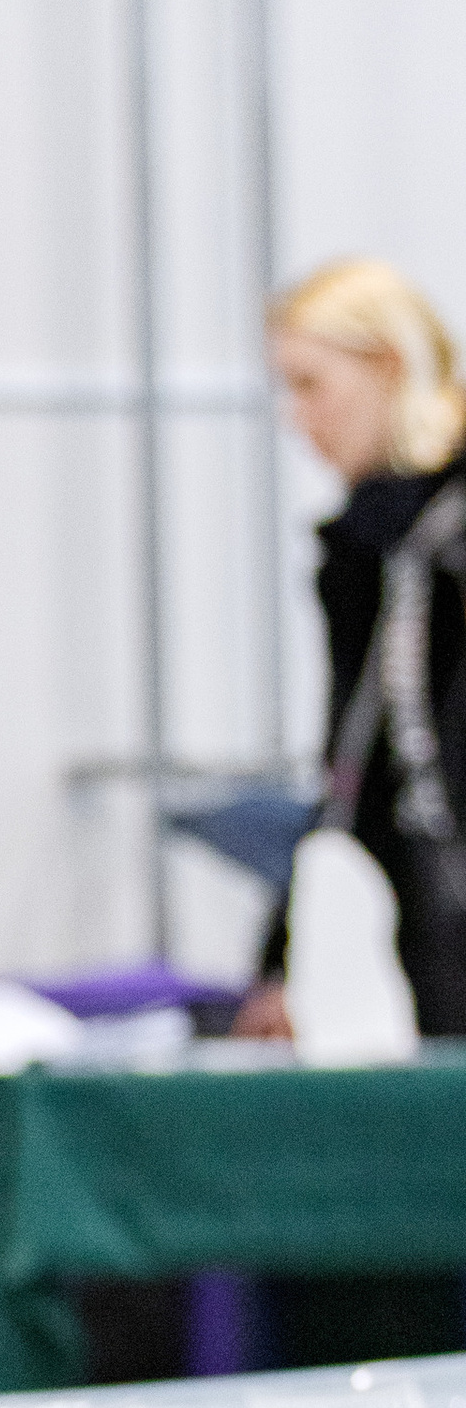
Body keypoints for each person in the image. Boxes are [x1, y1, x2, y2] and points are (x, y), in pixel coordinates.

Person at [237, 260, 466, 1043]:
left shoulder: (431, 541)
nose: (296, 415)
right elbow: (352, 764)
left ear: (389, 366)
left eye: (310, 384)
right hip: (418, 934)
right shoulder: (373, 547)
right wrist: (283, 958)